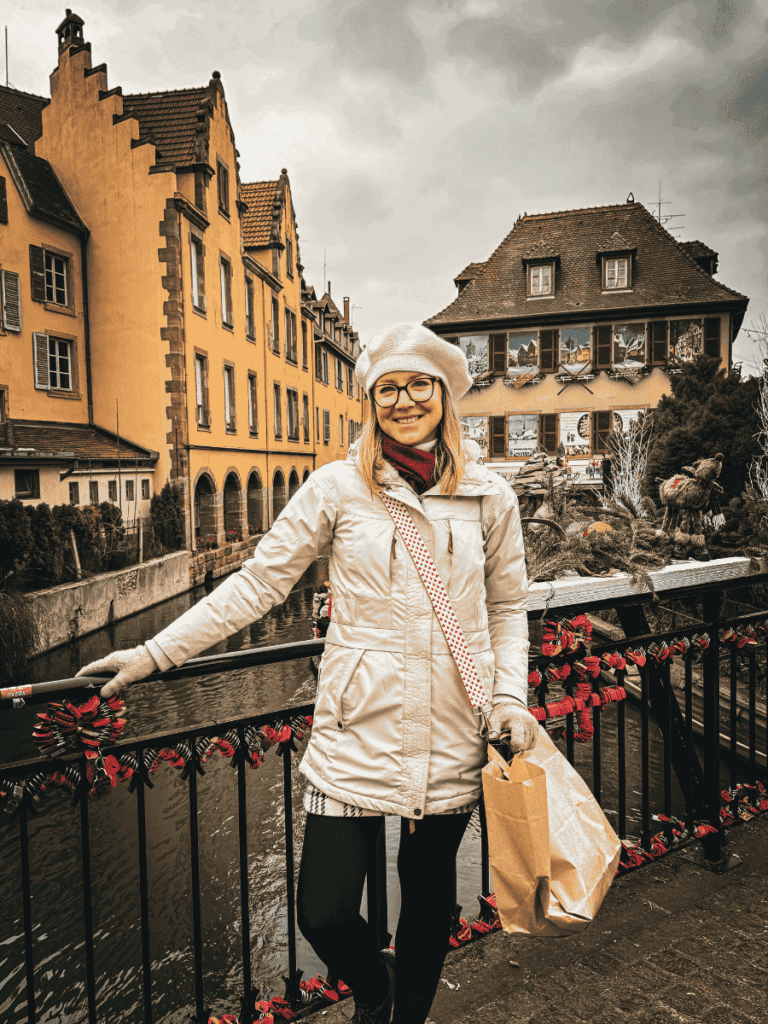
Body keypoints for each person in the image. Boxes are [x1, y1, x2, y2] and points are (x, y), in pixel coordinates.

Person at [76, 323, 534, 1024]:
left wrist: (509, 698)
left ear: (443, 396)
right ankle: (373, 986)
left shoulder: (488, 496)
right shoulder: (337, 488)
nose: (404, 400)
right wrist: (152, 654)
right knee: (321, 911)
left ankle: (405, 1015)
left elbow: (507, 607)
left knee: (429, 899)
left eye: (419, 386)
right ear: (370, 400)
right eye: (388, 388)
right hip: (356, 727)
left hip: (453, 723)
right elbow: (257, 585)